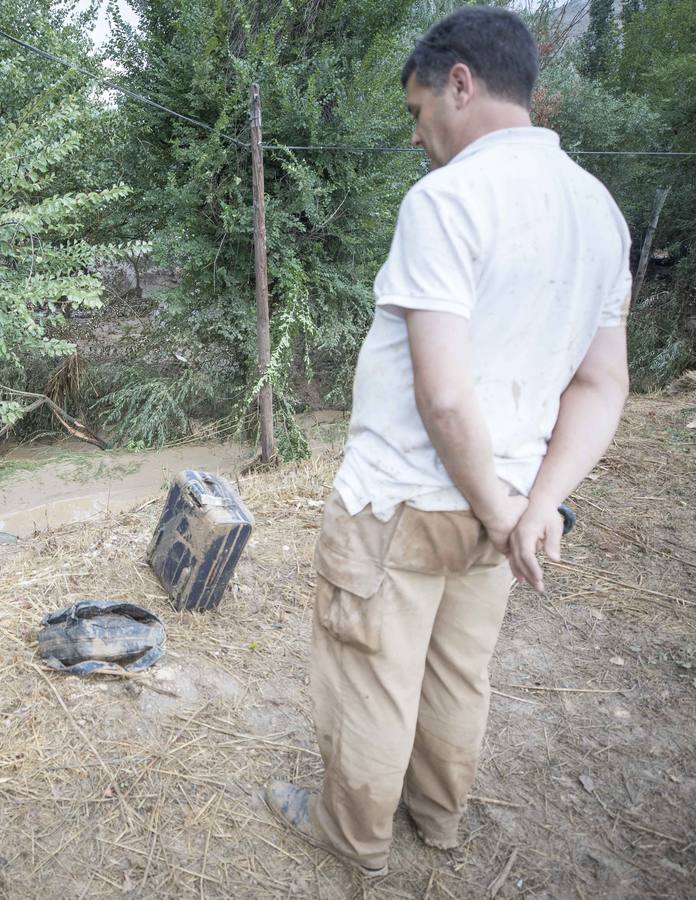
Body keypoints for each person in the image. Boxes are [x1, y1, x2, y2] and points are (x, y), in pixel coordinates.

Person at [263, 6, 632, 879]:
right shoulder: (599, 211)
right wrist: (531, 506)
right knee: (458, 672)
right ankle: (440, 817)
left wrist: (509, 506)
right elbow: (602, 383)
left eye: (418, 108)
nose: (418, 131)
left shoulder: (449, 198)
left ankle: (351, 839)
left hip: (404, 499)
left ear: (459, 82)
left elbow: (442, 392)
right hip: (500, 511)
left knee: (372, 671)